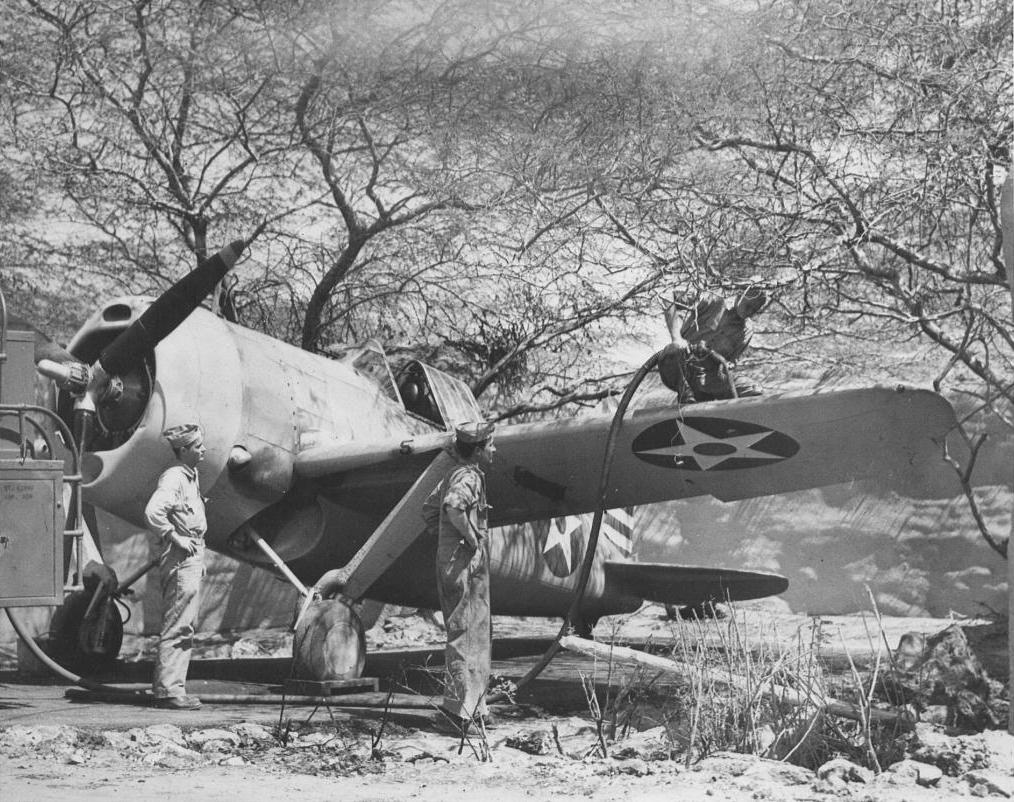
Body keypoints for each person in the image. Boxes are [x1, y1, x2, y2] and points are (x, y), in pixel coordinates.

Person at [422, 420, 497, 734]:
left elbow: (429, 510)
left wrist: (446, 541)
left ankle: (475, 708)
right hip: (464, 564)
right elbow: (453, 507)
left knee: (474, 633)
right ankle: (457, 715)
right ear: (477, 450)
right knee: (466, 636)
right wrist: (470, 539)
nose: (494, 449)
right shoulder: (469, 476)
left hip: (456, 562)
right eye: (490, 445)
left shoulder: (452, 474)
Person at [144, 423, 208, 710]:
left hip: (191, 557)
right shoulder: (174, 477)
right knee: (178, 625)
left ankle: (172, 688)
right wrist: (174, 537)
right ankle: (169, 691)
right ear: (183, 450)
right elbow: (153, 512)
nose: (203, 450)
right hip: (181, 558)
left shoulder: (190, 476)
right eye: (197, 446)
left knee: (185, 625)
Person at [659, 288, 767, 401]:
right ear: (740, 295)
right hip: (679, 365)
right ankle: (686, 394)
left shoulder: (747, 330)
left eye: (754, 310)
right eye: (748, 306)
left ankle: (715, 403)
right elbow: (666, 296)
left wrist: (726, 367)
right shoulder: (713, 300)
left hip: (709, 378)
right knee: (675, 350)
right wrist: (676, 338)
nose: (749, 312)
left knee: (753, 389)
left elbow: (731, 362)